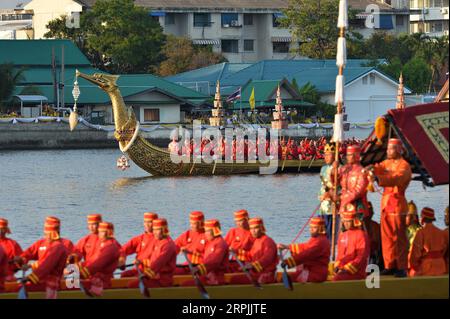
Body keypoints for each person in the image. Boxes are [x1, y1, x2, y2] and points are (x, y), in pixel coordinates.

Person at [371, 138, 412, 277]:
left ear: (398, 149)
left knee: (399, 237)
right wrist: (371, 170)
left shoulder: (404, 166)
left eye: (390, 149)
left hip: (398, 204)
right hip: (386, 204)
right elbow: (379, 167)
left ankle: (401, 267)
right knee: (387, 237)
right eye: (387, 148)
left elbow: (397, 178)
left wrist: (380, 179)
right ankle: (389, 265)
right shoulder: (386, 163)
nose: (388, 151)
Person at [17, 219, 68, 298]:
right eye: (45, 232)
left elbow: (46, 265)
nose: (45, 234)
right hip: (40, 277)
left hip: (53, 279)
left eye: (47, 232)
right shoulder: (41, 243)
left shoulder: (58, 247)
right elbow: (29, 253)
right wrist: (21, 259)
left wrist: (30, 277)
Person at [128, 218, 177, 288]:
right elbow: (149, 255)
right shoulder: (157, 241)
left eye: (157, 230)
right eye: (154, 229)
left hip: (162, 281)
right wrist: (140, 260)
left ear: (164, 230)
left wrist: (146, 275)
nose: (154, 232)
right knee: (130, 280)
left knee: (131, 285)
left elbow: (158, 263)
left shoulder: (168, 245)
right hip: (153, 277)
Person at [279, 217, 330, 283]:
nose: (311, 230)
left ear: (320, 229)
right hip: (311, 271)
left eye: (314, 227)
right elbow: (305, 247)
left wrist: (288, 262)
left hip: (317, 274)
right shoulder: (315, 239)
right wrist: (287, 247)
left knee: (288, 279)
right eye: (310, 227)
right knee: (291, 275)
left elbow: (306, 254)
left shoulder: (320, 241)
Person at [229, 218, 278, 285]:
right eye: (251, 229)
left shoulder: (268, 241)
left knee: (234, 279)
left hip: (266, 275)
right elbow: (250, 255)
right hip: (256, 273)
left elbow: (267, 259)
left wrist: (252, 266)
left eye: (255, 228)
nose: (253, 231)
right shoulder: (257, 240)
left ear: (261, 228)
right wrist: (236, 251)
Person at [77, 222, 121, 296]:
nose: (99, 234)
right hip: (94, 279)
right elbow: (91, 261)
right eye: (99, 231)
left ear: (109, 233)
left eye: (102, 232)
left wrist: (79, 273)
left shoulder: (110, 247)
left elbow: (96, 265)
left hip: (102, 283)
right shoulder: (103, 246)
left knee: (70, 285)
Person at [182, 219, 229, 286]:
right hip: (207, 275)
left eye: (207, 231)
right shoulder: (211, 243)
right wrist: (190, 252)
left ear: (214, 231)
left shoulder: (220, 244)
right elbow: (205, 257)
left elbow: (214, 262)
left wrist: (198, 269)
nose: (205, 233)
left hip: (216, 278)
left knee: (185, 284)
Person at [332, 145, 369, 221]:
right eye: (347, 155)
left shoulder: (362, 171)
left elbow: (359, 191)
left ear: (356, 156)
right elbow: (335, 183)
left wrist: (343, 197)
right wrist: (334, 171)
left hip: (356, 207)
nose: (347, 157)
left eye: (349, 155)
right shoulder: (344, 169)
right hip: (343, 206)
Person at [408, 208, 448, 277]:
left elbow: (414, 254)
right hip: (441, 266)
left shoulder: (421, 233)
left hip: (427, 267)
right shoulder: (441, 232)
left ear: (423, 218)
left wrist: (411, 266)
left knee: (410, 273)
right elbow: (443, 250)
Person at [333, 207, 370, 281]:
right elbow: (339, 255)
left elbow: (361, 257)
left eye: (348, 221)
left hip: (356, 271)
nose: (345, 224)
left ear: (354, 221)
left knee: (337, 278)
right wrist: (337, 267)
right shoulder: (342, 235)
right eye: (344, 221)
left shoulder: (361, 235)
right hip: (342, 270)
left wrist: (347, 269)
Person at [118, 212, 158, 277]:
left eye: (150, 222)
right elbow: (122, 250)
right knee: (124, 275)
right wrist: (121, 260)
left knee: (131, 283)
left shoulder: (161, 240)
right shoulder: (140, 239)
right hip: (139, 270)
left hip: (153, 272)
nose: (147, 225)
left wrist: (141, 260)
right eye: (145, 222)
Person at [318, 143, 338, 241]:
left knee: (332, 236)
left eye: (329, 154)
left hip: (333, 206)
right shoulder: (323, 168)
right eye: (325, 155)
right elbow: (323, 185)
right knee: (322, 235)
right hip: (323, 206)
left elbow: (338, 187)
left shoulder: (339, 168)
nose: (326, 157)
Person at [364, 202, 383, 269]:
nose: (371, 212)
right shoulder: (360, 227)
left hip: (374, 257)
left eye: (371, 210)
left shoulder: (376, 226)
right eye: (369, 210)